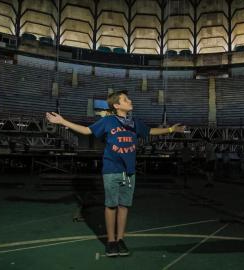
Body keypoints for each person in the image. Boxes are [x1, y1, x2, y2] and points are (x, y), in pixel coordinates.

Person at [46, 90, 185, 257]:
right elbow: (86, 131)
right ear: (117, 105)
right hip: (112, 170)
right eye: (126, 99)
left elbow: (150, 132)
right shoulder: (108, 121)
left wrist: (171, 129)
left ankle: (120, 240)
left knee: (124, 206)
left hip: (130, 172)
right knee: (111, 206)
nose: (130, 100)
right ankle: (111, 242)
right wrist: (62, 121)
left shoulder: (135, 122)